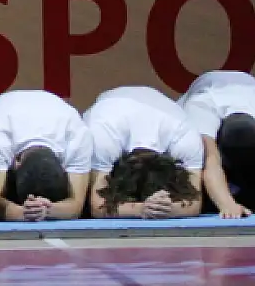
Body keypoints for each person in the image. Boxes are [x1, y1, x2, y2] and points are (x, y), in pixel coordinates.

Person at [179, 70, 255, 217]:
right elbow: (211, 161)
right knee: (200, 163)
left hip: (248, 88)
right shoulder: (200, 107)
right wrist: (228, 205)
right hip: (205, 92)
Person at [85, 86, 205, 219]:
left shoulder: (185, 139)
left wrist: (167, 208)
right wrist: (140, 209)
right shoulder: (102, 139)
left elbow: (195, 202)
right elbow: (96, 206)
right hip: (109, 106)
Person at [0, 89, 93, 221]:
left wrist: (48, 209)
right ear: (16, 163)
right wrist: (23, 212)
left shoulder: (77, 136)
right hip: (3, 110)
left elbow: (76, 205)